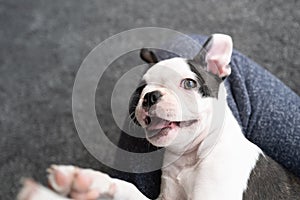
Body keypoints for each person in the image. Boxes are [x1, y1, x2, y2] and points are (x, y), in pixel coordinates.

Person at [114, 35, 300, 199]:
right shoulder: (176, 156)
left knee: (177, 46)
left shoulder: (229, 156)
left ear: (218, 67)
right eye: (143, 90)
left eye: (187, 84)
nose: (149, 96)